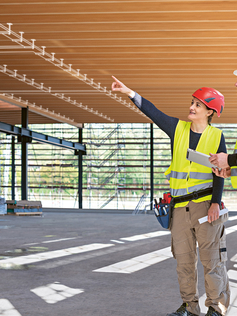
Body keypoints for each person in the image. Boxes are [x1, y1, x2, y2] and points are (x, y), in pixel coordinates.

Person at [111, 76, 230, 316]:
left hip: (206, 206)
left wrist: (215, 203)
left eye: (197, 104)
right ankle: (190, 306)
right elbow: (154, 112)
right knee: (184, 262)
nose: (192, 107)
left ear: (210, 111)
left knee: (212, 261)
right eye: (192, 102)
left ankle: (216, 307)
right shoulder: (178, 129)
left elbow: (220, 173)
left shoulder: (217, 136)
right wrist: (130, 93)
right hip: (179, 209)